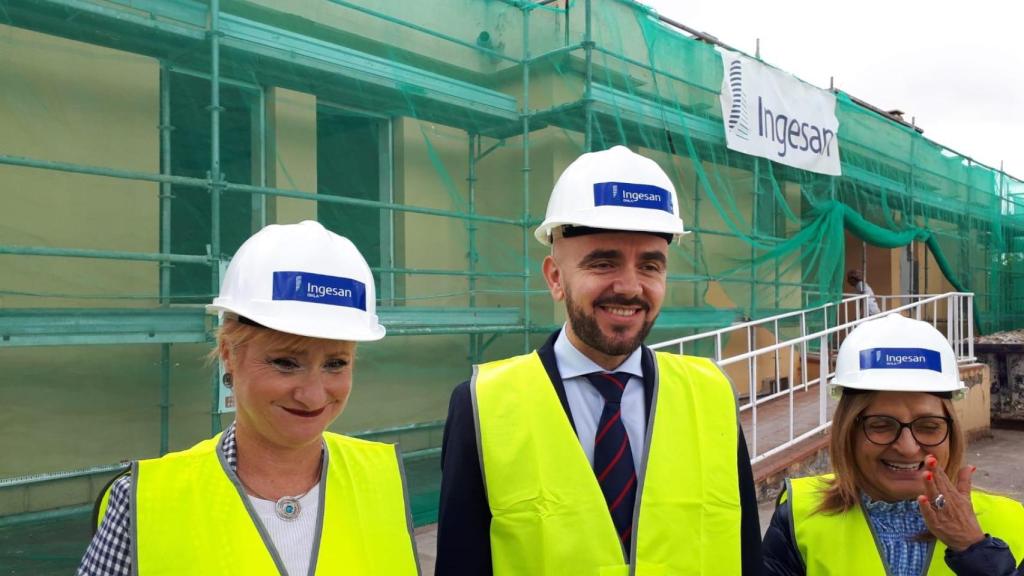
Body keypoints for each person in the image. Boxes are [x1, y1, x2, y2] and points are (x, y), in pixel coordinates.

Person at [435, 146, 762, 575]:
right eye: (603, 262)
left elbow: (745, 557)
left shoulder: (711, 394)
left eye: (650, 265)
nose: (629, 287)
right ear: (555, 277)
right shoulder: (484, 404)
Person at [77, 221, 420, 575]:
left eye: (336, 363)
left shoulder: (383, 482)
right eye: (286, 363)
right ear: (228, 352)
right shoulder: (144, 501)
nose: (313, 395)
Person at [763, 313, 1024, 576]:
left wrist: (975, 551)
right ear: (848, 431)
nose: (908, 447)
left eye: (929, 426)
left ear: (951, 431)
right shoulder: (799, 519)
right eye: (881, 425)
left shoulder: (1012, 523)